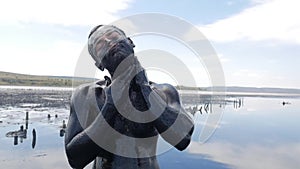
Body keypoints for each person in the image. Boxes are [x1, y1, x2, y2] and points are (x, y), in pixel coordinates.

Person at [64, 25, 194, 169]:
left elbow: (183, 139)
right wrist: (110, 106)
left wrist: (144, 89)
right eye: (100, 44)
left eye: (113, 36)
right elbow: (75, 159)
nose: (108, 41)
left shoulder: (164, 92)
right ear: (99, 64)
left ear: (130, 42)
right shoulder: (86, 95)